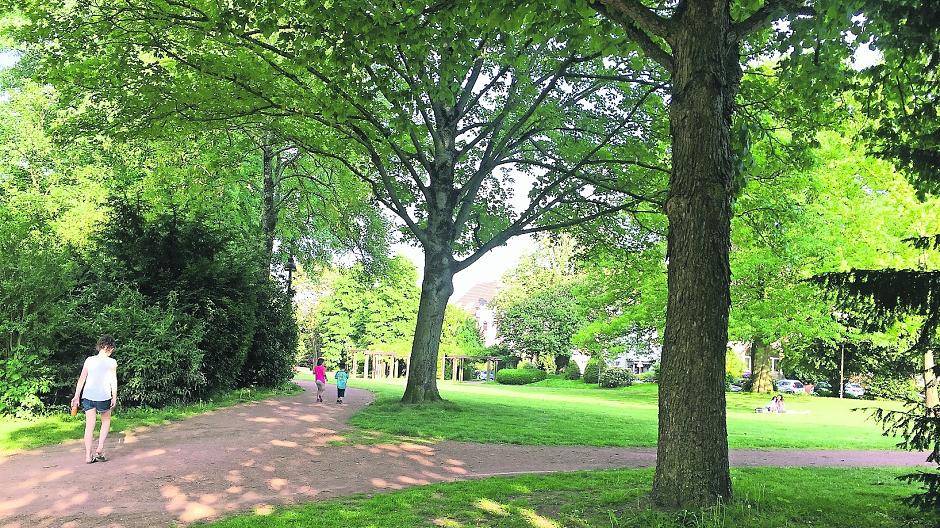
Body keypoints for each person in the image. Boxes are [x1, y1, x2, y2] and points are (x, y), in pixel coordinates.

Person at [71, 335, 118, 464]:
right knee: (106, 421)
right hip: (104, 396)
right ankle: (100, 449)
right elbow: (113, 381)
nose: (112, 350)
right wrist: (114, 396)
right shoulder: (112, 362)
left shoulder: (89, 360)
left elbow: (82, 379)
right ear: (108, 347)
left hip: (88, 396)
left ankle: (88, 456)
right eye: (112, 348)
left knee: (89, 426)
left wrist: (76, 395)